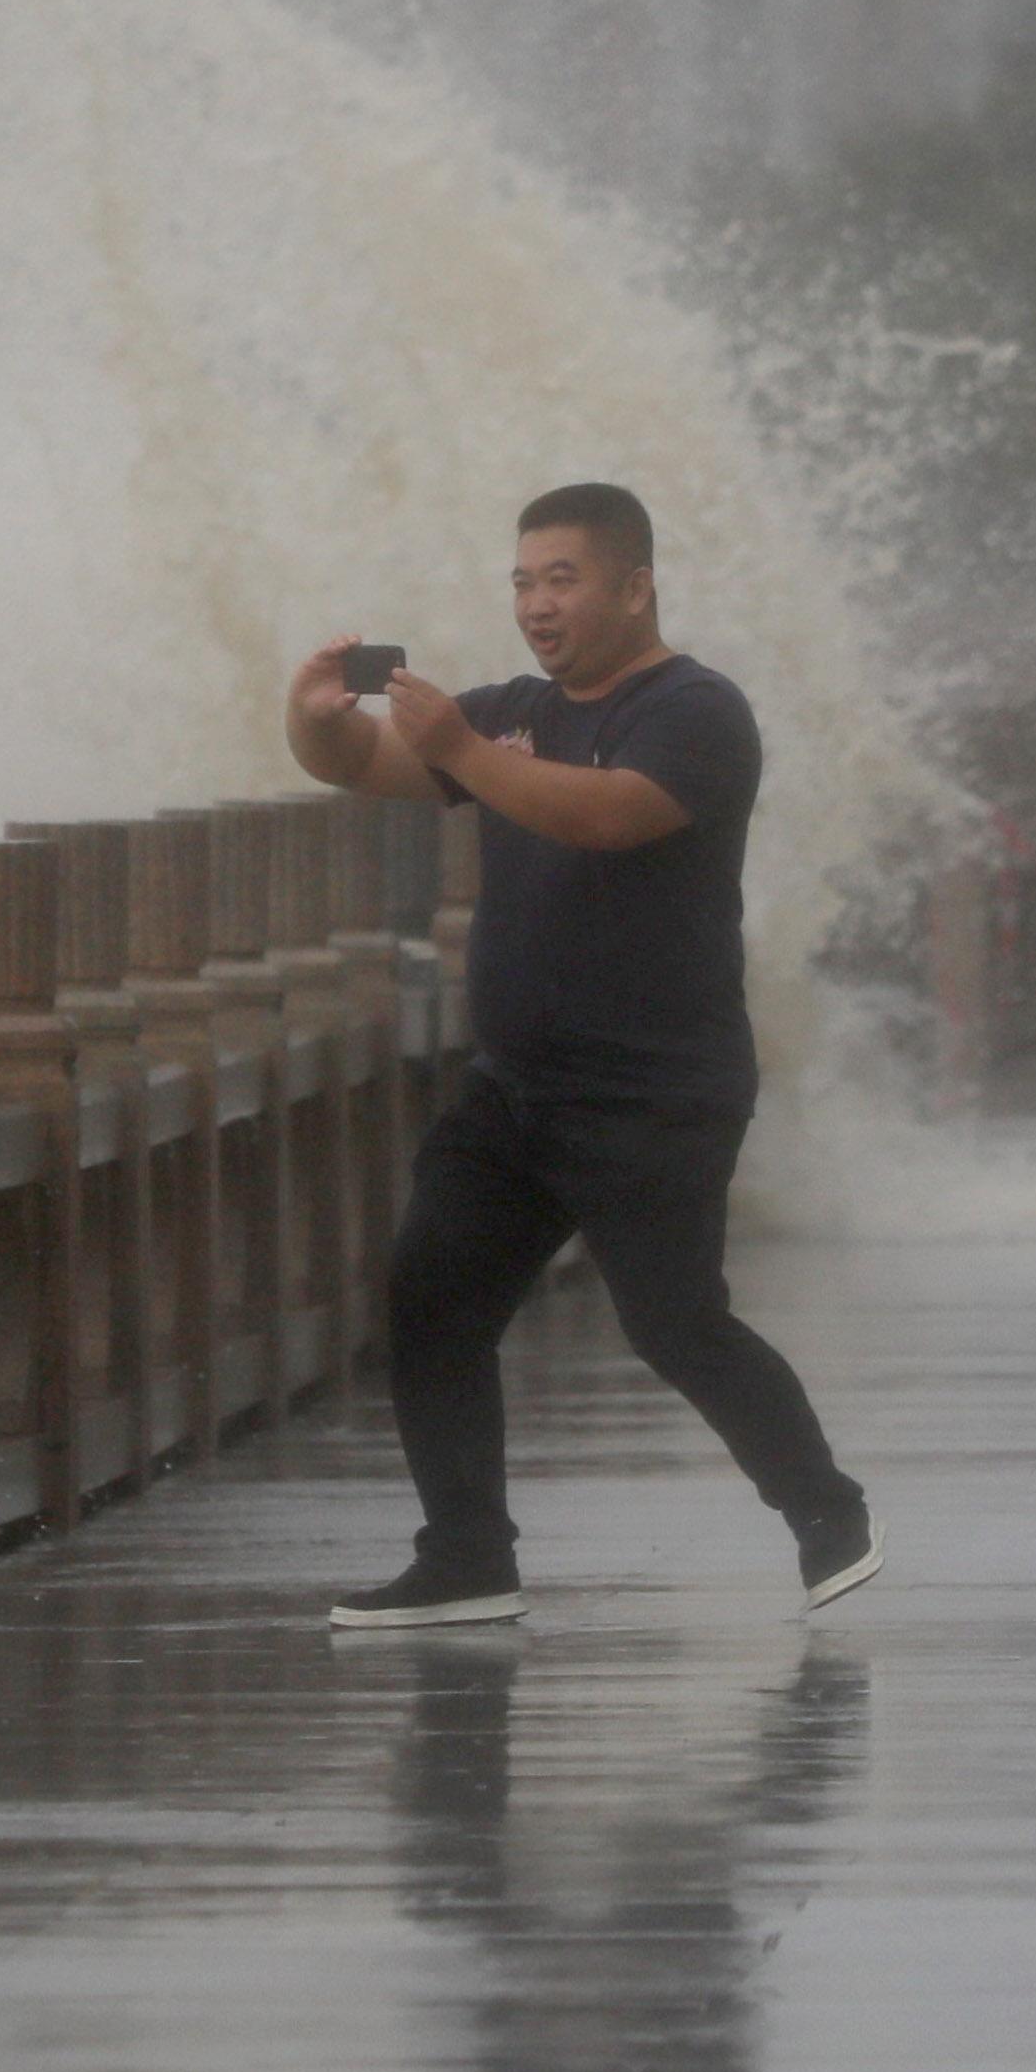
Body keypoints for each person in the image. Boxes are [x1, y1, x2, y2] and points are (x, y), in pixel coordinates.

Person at [283, 483, 875, 1628]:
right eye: (520, 581)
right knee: (431, 1300)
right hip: (514, 1093)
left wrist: (459, 740)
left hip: (654, 1091)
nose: (536, 605)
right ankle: (466, 1555)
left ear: (634, 584)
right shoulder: (511, 712)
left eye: (561, 579)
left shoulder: (697, 711)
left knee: (671, 1322)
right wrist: (314, 712)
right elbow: (357, 765)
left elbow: (599, 817)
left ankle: (824, 1508)